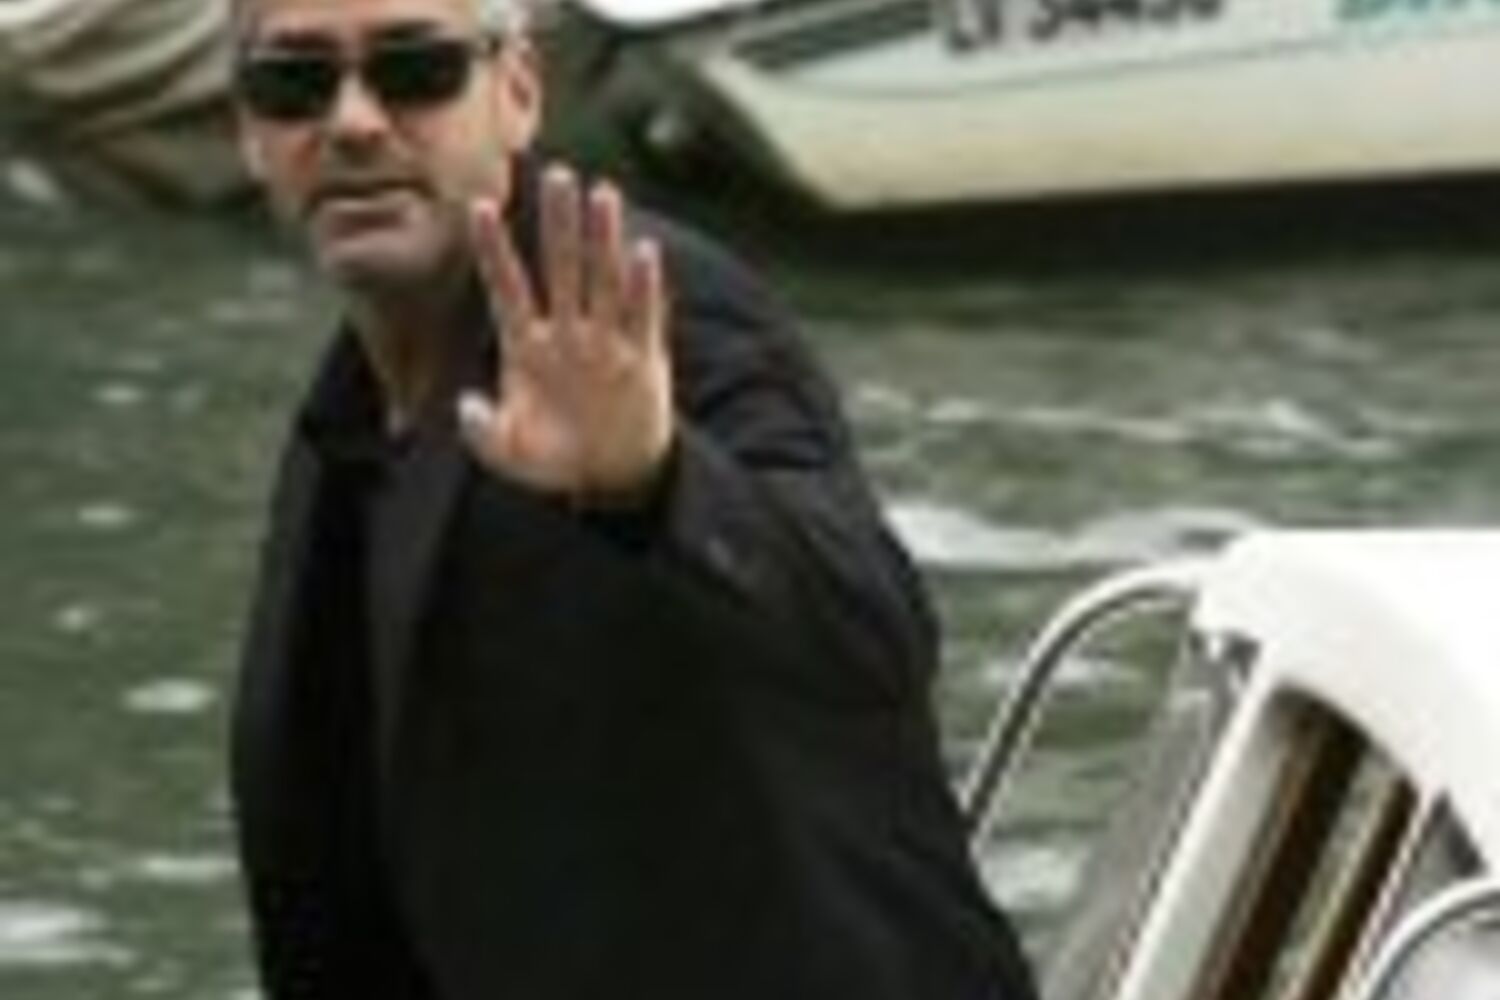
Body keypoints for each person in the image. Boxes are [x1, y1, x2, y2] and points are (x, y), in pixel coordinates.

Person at [227, 0, 1038, 997]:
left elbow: (870, 627)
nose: (352, 122)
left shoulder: (645, 305)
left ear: (518, 92)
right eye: (294, 83)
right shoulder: (347, 409)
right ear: (249, 131)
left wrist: (656, 480)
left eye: (415, 71)